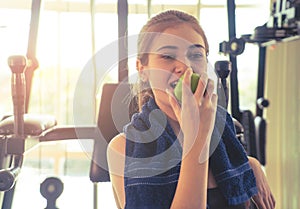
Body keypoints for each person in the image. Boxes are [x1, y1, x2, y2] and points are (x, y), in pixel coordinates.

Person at [107, 10, 275, 209]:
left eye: (196, 55)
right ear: (142, 69)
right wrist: (197, 135)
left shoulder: (225, 132)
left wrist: (249, 164)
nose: (185, 67)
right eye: (168, 56)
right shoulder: (122, 149)